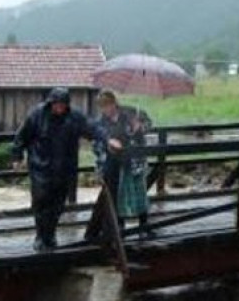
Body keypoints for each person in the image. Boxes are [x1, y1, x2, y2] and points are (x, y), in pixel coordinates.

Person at [12, 87, 98, 251]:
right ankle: (41, 236)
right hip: (41, 167)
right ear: (50, 103)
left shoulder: (75, 117)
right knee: (41, 202)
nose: (59, 108)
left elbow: (92, 130)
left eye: (63, 105)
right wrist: (17, 157)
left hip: (64, 168)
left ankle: (50, 235)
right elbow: (21, 136)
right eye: (56, 104)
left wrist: (108, 137)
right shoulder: (36, 115)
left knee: (58, 204)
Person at [91, 89, 130, 220]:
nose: (105, 109)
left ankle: (141, 224)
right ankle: (116, 223)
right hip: (109, 162)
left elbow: (146, 126)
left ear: (114, 103)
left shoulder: (128, 115)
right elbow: (95, 145)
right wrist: (106, 146)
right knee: (112, 194)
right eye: (102, 106)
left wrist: (138, 127)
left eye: (107, 105)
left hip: (128, 160)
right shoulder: (100, 122)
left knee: (127, 192)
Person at [118, 109, 154, 238]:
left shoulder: (140, 113)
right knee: (122, 196)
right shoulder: (120, 116)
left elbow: (149, 125)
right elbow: (119, 134)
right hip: (124, 163)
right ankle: (120, 226)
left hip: (139, 163)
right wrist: (130, 130)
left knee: (141, 196)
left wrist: (140, 126)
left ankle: (143, 225)